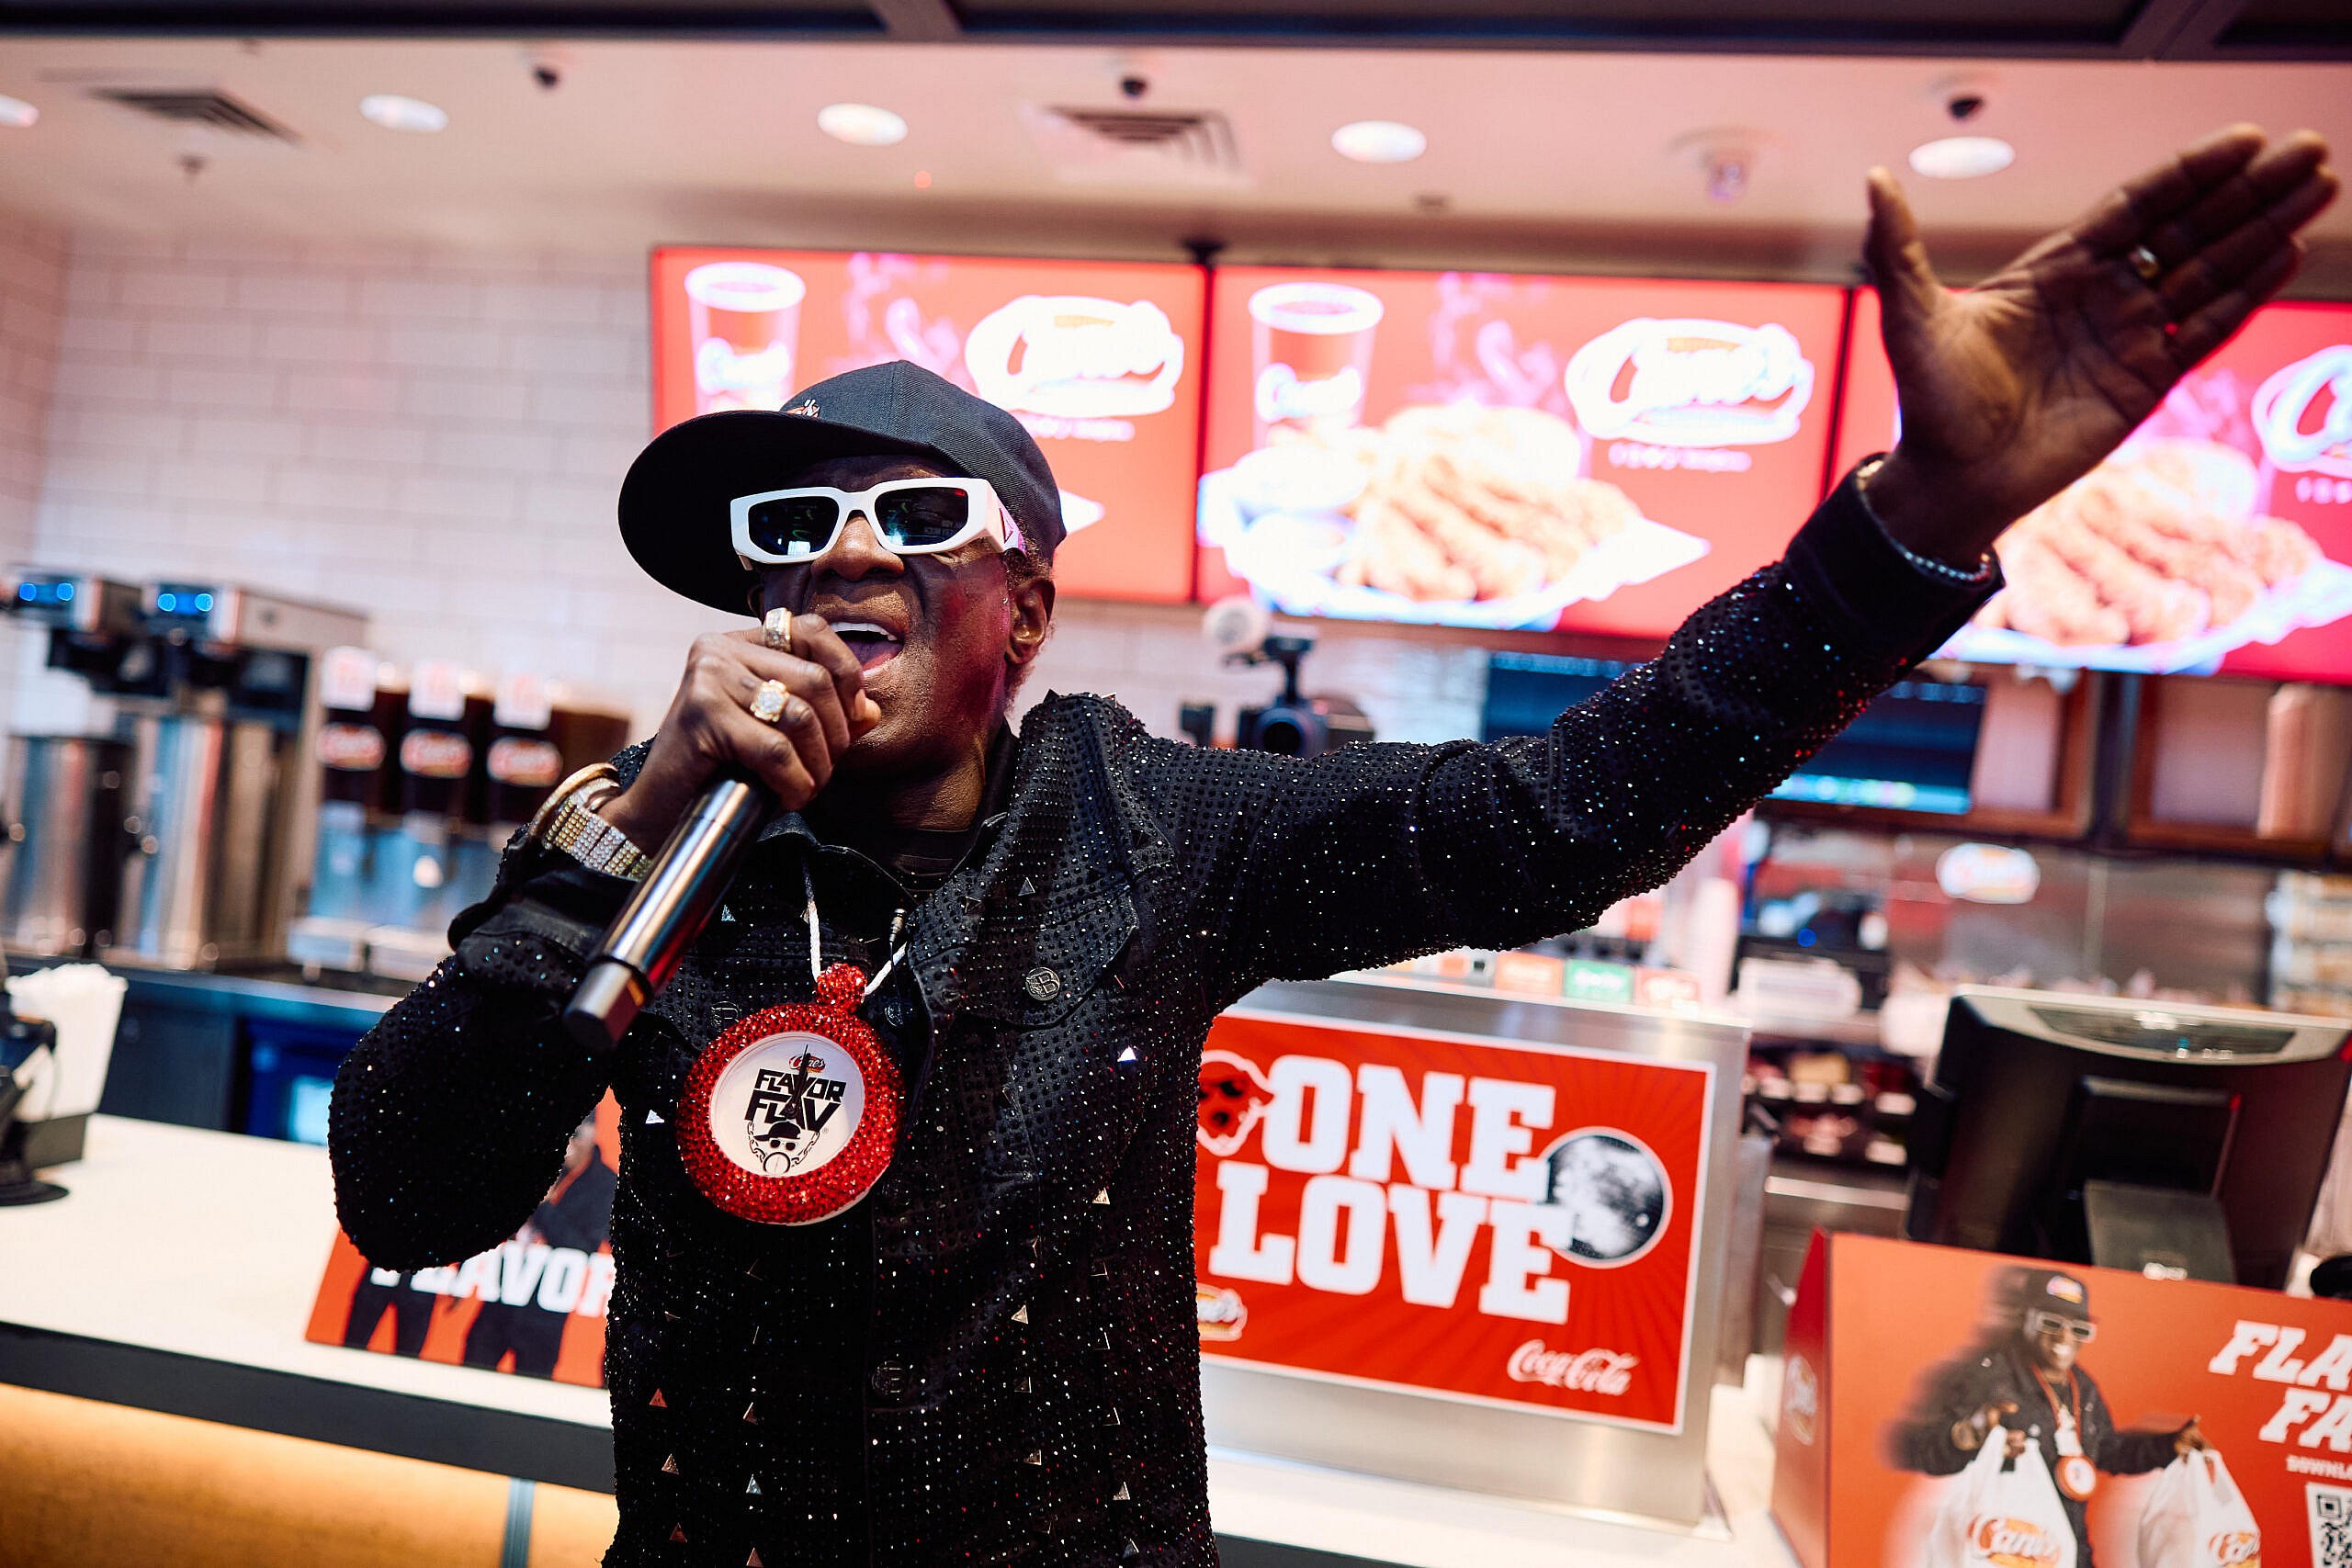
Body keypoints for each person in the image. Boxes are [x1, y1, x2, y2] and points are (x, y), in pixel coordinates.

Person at [331, 127, 2335, 1566]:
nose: (845, 554)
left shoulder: (1155, 821)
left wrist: (1900, 530)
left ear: (1022, 611)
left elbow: (1568, 813)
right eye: (795, 532)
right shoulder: (653, 858)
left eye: (914, 512)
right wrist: (632, 830)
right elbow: (413, 1189)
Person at [1887, 1268, 2206, 1565]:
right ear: (2025, 1318)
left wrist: (2168, 1447)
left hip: (2066, 1549)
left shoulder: (2081, 1385)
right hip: (2004, 1550)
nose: (2065, 1338)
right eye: (2051, 1323)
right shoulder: (1985, 1376)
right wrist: (1970, 1436)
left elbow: (2106, 1449)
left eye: (2079, 1328)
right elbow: (1919, 1449)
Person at [460, 1113, 616, 1379]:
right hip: (498, 1304)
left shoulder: (603, 1184)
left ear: (592, 1135)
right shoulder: (535, 1160)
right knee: (465, 1383)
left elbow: (581, 1249)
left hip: (543, 1318)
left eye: (575, 1135)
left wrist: (544, 1206)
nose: (567, 1143)